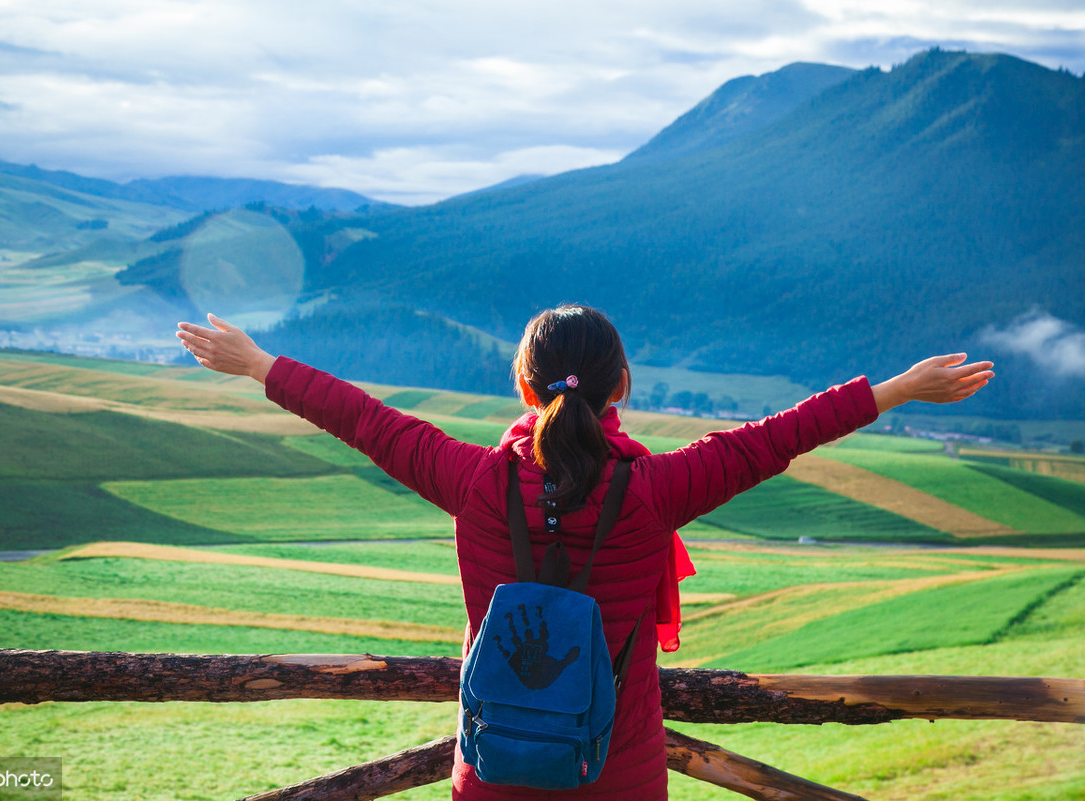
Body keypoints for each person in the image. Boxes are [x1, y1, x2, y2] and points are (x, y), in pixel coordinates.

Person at [176, 306, 993, 800]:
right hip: (620, 771)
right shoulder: (656, 491)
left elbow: (364, 419)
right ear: (623, 386)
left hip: (494, 769)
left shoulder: (474, 482)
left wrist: (258, 364)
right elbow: (774, 439)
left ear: (524, 388)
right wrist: (897, 389)